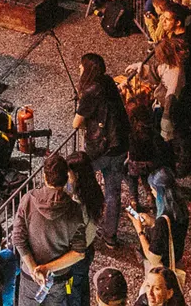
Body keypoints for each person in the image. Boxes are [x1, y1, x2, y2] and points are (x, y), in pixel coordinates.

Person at [8, 153, 91, 306]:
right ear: (66, 178)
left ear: (45, 177)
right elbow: (79, 253)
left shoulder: (28, 199)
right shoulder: (74, 209)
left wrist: (35, 269)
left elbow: (18, 238)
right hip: (60, 278)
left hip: (30, 277)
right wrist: (47, 268)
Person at [73, 53, 129, 248]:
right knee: (113, 192)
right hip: (119, 145)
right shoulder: (108, 82)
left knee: (77, 183)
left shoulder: (91, 91)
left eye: (81, 66)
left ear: (87, 70)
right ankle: (110, 235)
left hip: (100, 149)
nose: (79, 69)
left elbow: (76, 122)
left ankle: (80, 228)